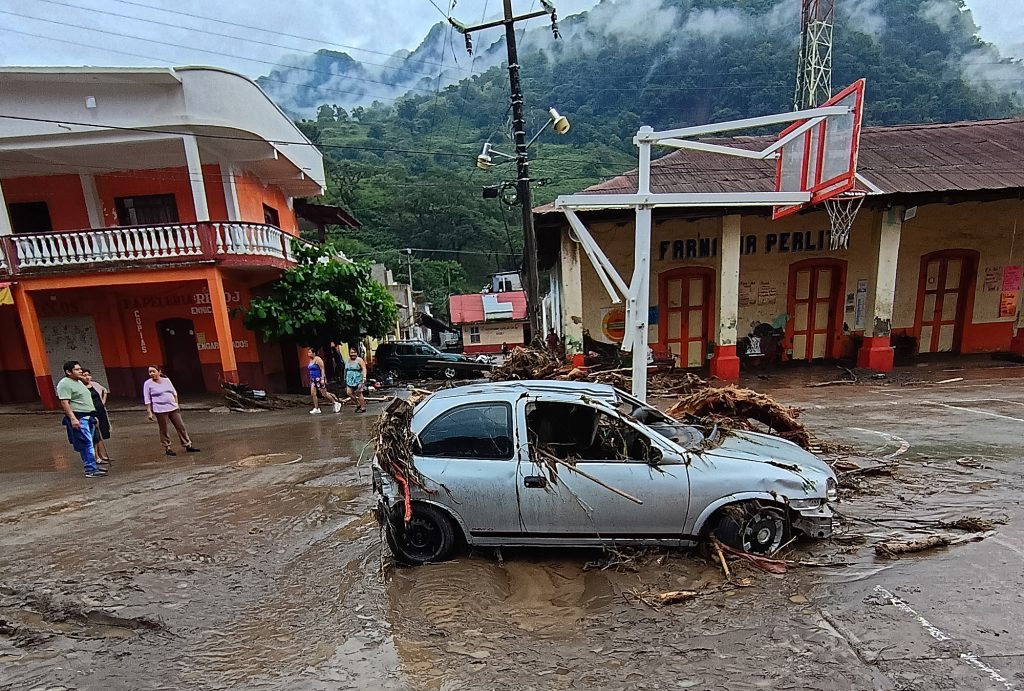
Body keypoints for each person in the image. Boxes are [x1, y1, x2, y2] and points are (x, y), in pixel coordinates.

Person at [56, 360, 106, 478]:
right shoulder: (64, 384)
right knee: (86, 443)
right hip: (80, 417)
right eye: (77, 369)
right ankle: (90, 469)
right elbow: (65, 402)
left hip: (88, 416)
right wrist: (73, 418)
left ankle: (92, 466)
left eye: (80, 369)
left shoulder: (78, 382)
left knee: (89, 442)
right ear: (68, 372)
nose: (80, 371)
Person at [143, 365, 200, 456]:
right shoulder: (148, 384)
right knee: (164, 429)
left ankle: (187, 445)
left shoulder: (166, 380)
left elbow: (174, 392)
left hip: (172, 407)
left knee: (181, 426)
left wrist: (176, 404)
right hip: (160, 409)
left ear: (159, 372)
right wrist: (149, 412)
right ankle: (167, 447)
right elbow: (147, 399)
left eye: (153, 371)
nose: (151, 373)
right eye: (150, 372)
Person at [81, 368, 113, 463]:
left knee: (101, 434)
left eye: (88, 375)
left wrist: (103, 401)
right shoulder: (81, 388)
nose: (87, 377)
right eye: (84, 375)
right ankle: (96, 457)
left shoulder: (94, 384)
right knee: (94, 435)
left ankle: (102, 455)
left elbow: (104, 390)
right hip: (91, 413)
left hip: (101, 411)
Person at [307, 347, 342, 415]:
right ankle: (316, 408)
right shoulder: (311, 360)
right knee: (313, 393)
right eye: (308, 352)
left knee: (324, 393)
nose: (308, 354)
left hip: (318, 378)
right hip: (313, 379)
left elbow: (322, 369)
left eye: (310, 352)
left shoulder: (317, 359)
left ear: (314, 353)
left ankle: (335, 402)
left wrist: (322, 378)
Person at [344, 346, 368, 413]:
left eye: (354, 352)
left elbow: (364, 368)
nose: (353, 354)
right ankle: (358, 404)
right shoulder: (347, 360)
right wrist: (344, 377)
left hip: (358, 379)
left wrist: (364, 377)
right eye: (351, 352)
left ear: (357, 353)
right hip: (349, 379)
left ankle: (363, 407)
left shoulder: (359, 360)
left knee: (359, 393)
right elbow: (345, 369)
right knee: (349, 393)